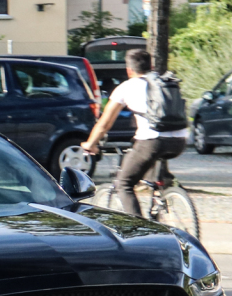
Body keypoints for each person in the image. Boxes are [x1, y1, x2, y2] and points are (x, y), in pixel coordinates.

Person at [80, 49, 188, 216]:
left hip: (152, 141)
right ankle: (163, 194)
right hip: (180, 140)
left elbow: (105, 123)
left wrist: (90, 144)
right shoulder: (164, 82)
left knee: (124, 183)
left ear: (129, 70)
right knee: (150, 169)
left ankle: (140, 229)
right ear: (151, 66)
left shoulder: (126, 87)